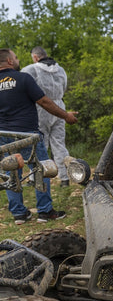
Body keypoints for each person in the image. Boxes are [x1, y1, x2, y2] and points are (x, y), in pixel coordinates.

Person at [0, 48, 78, 224]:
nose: (18, 59)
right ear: (10, 61)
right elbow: (44, 101)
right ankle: (44, 211)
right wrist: (66, 116)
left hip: (3, 135)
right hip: (28, 134)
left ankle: (19, 214)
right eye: (16, 57)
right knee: (41, 169)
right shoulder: (23, 78)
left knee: (11, 171)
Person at [21, 47, 70, 187]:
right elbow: (64, 87)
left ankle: (35, 177)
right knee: (59, 144)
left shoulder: (30, 69)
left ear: (35, 57)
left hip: (40, 107)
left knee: (40, 144)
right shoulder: (61, 70)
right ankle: (64, 178)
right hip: (59, 107)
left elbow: (24, 87)